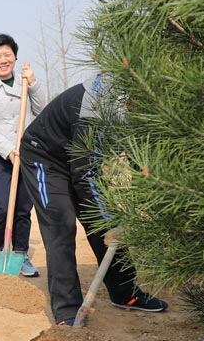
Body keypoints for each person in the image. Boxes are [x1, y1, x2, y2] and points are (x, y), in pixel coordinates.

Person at [20, 76, 168, 326]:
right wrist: (109, 221)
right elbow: (84, 174)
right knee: (61, 224)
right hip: (45, 158)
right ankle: (67, 309)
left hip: (81, 159)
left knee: (103, 217)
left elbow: (137, 157)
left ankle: (125, 294)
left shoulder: (145, 99)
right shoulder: (97, 107)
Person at [0, 33, 47, 277]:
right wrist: (8, 150)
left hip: (26, 153)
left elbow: (41, 110)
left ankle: (20, 256)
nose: (3, 60)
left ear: (14, 57)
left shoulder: (23, 82)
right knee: (3, 207)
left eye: (7, 55)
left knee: (24, 208)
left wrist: (33, 83)